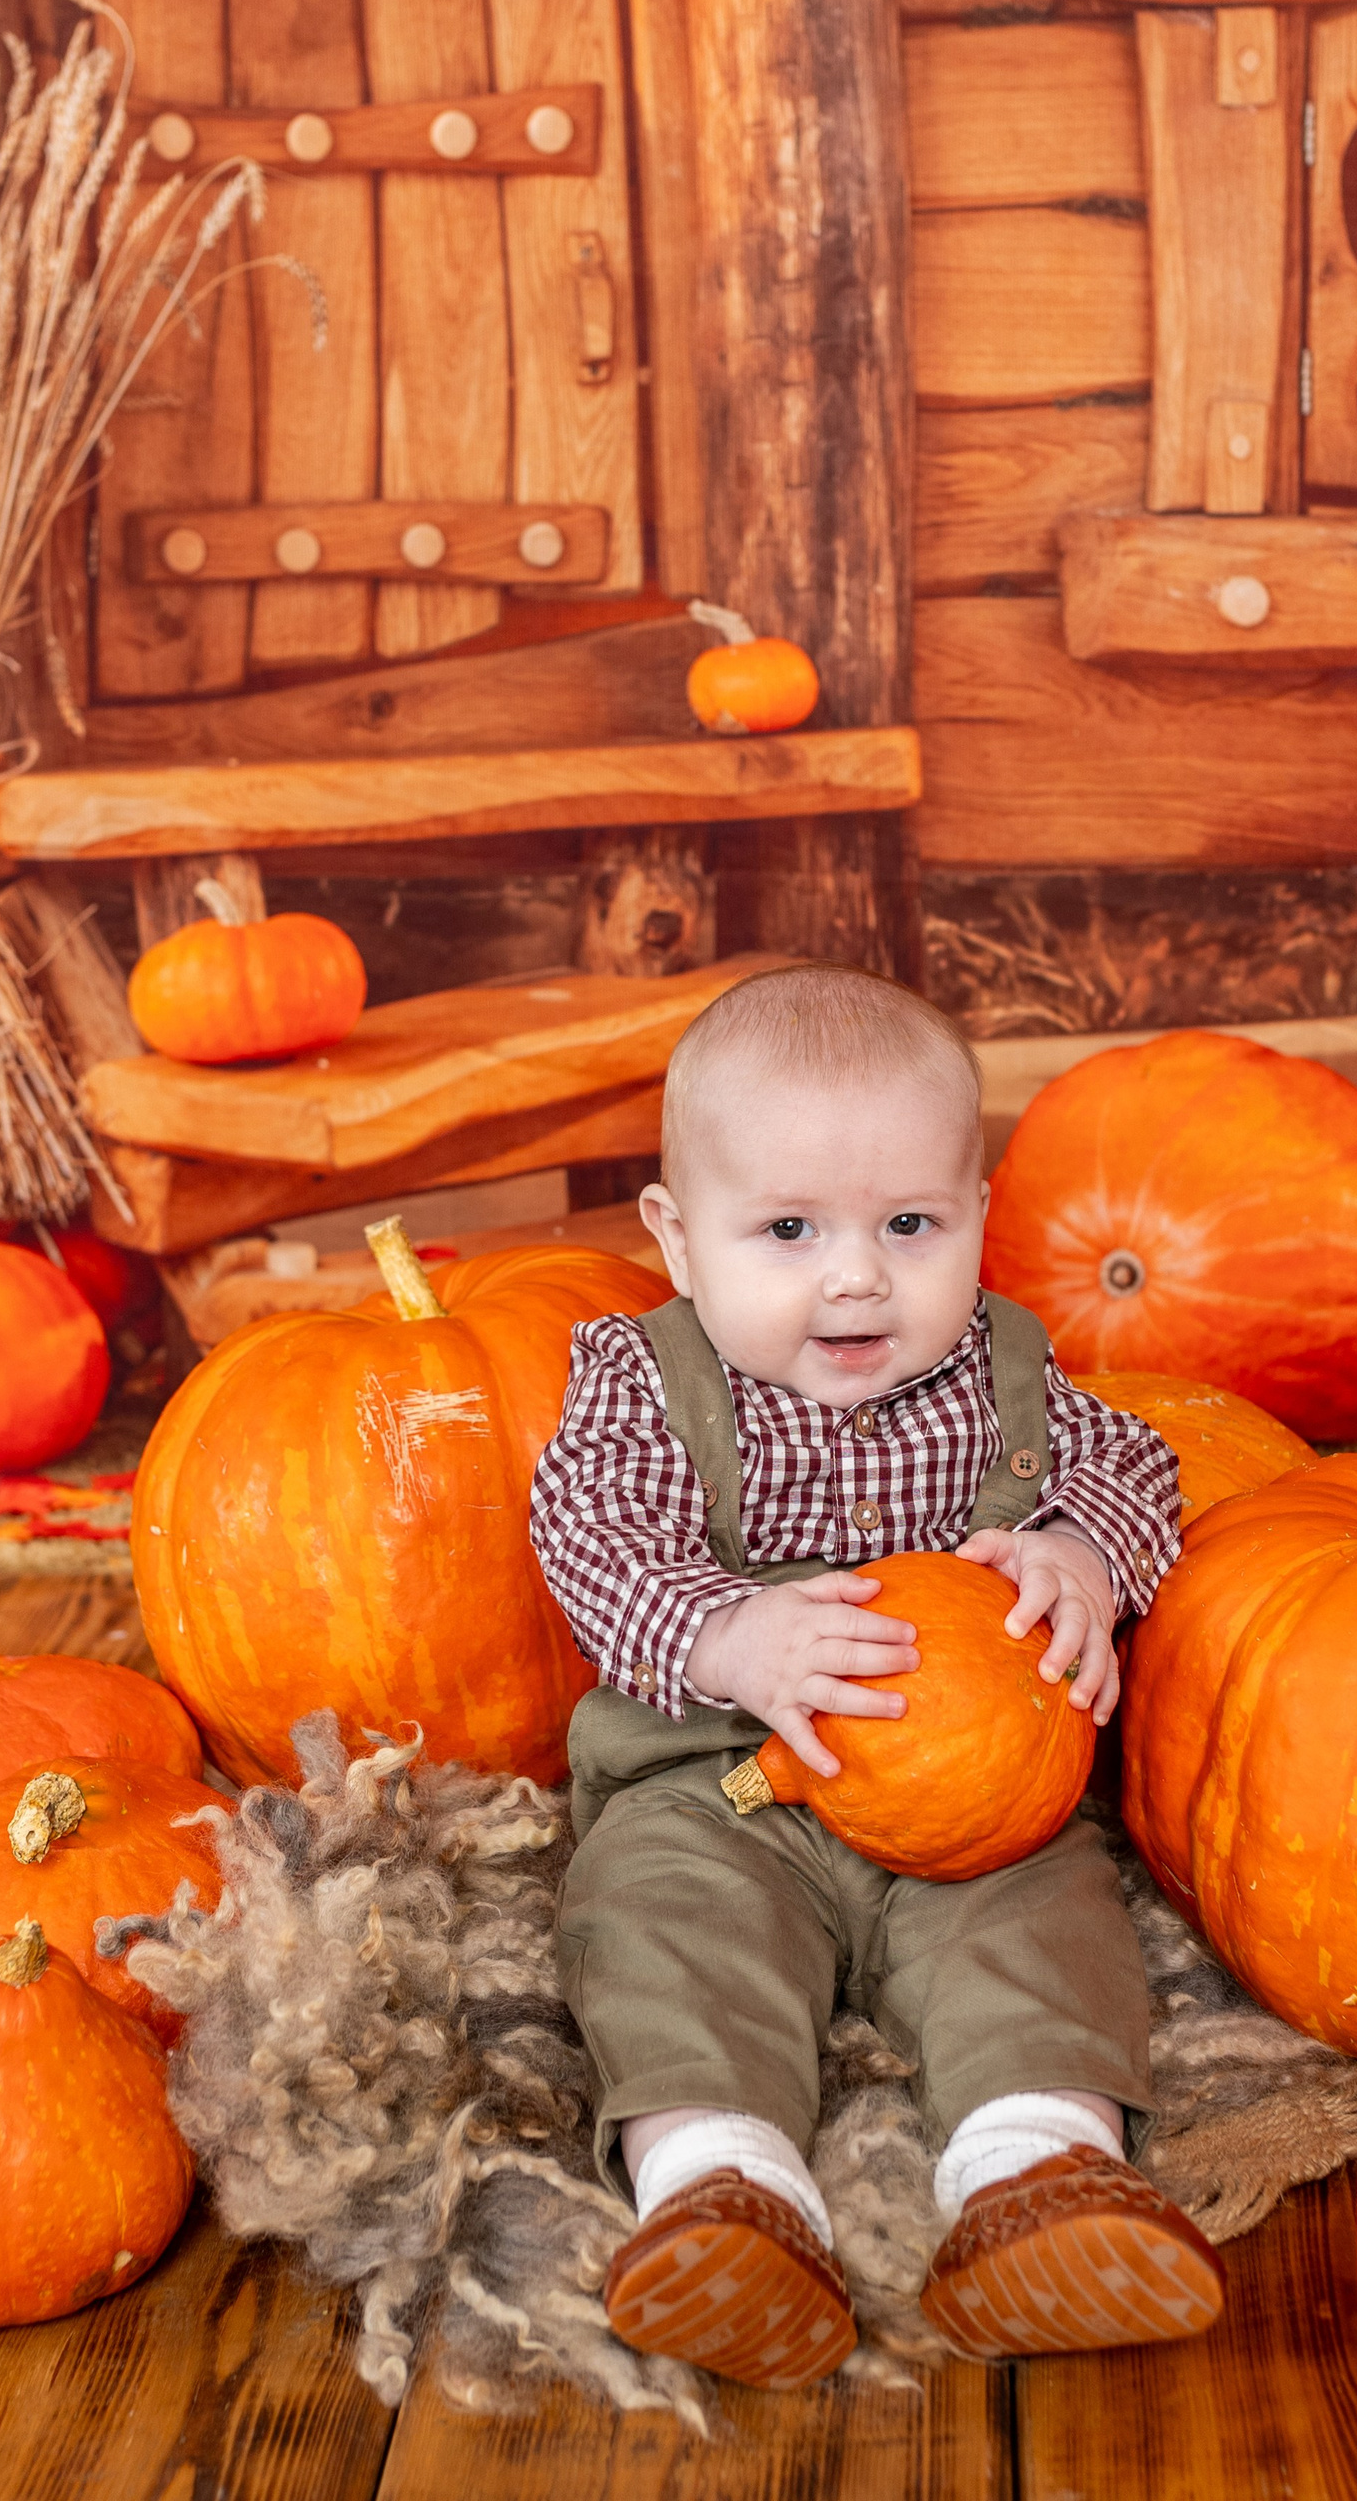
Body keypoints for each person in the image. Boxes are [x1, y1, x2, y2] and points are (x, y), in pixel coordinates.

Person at [528, 961, 1225, 2390]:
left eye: (908, 1224)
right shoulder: (641, 1382)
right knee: (656, 1925)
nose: (855, 1275)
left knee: (1048, 1916)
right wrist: (728, 1636)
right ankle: (721, 2186)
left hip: (976, 1798)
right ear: (676, 1237)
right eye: (787, 1229)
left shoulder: (1006, 1371)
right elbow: (582, 1526)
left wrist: (1084, 1561)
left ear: (977, 1219)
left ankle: (1038, 2174)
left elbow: (1136, 1469)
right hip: (716, 1779)